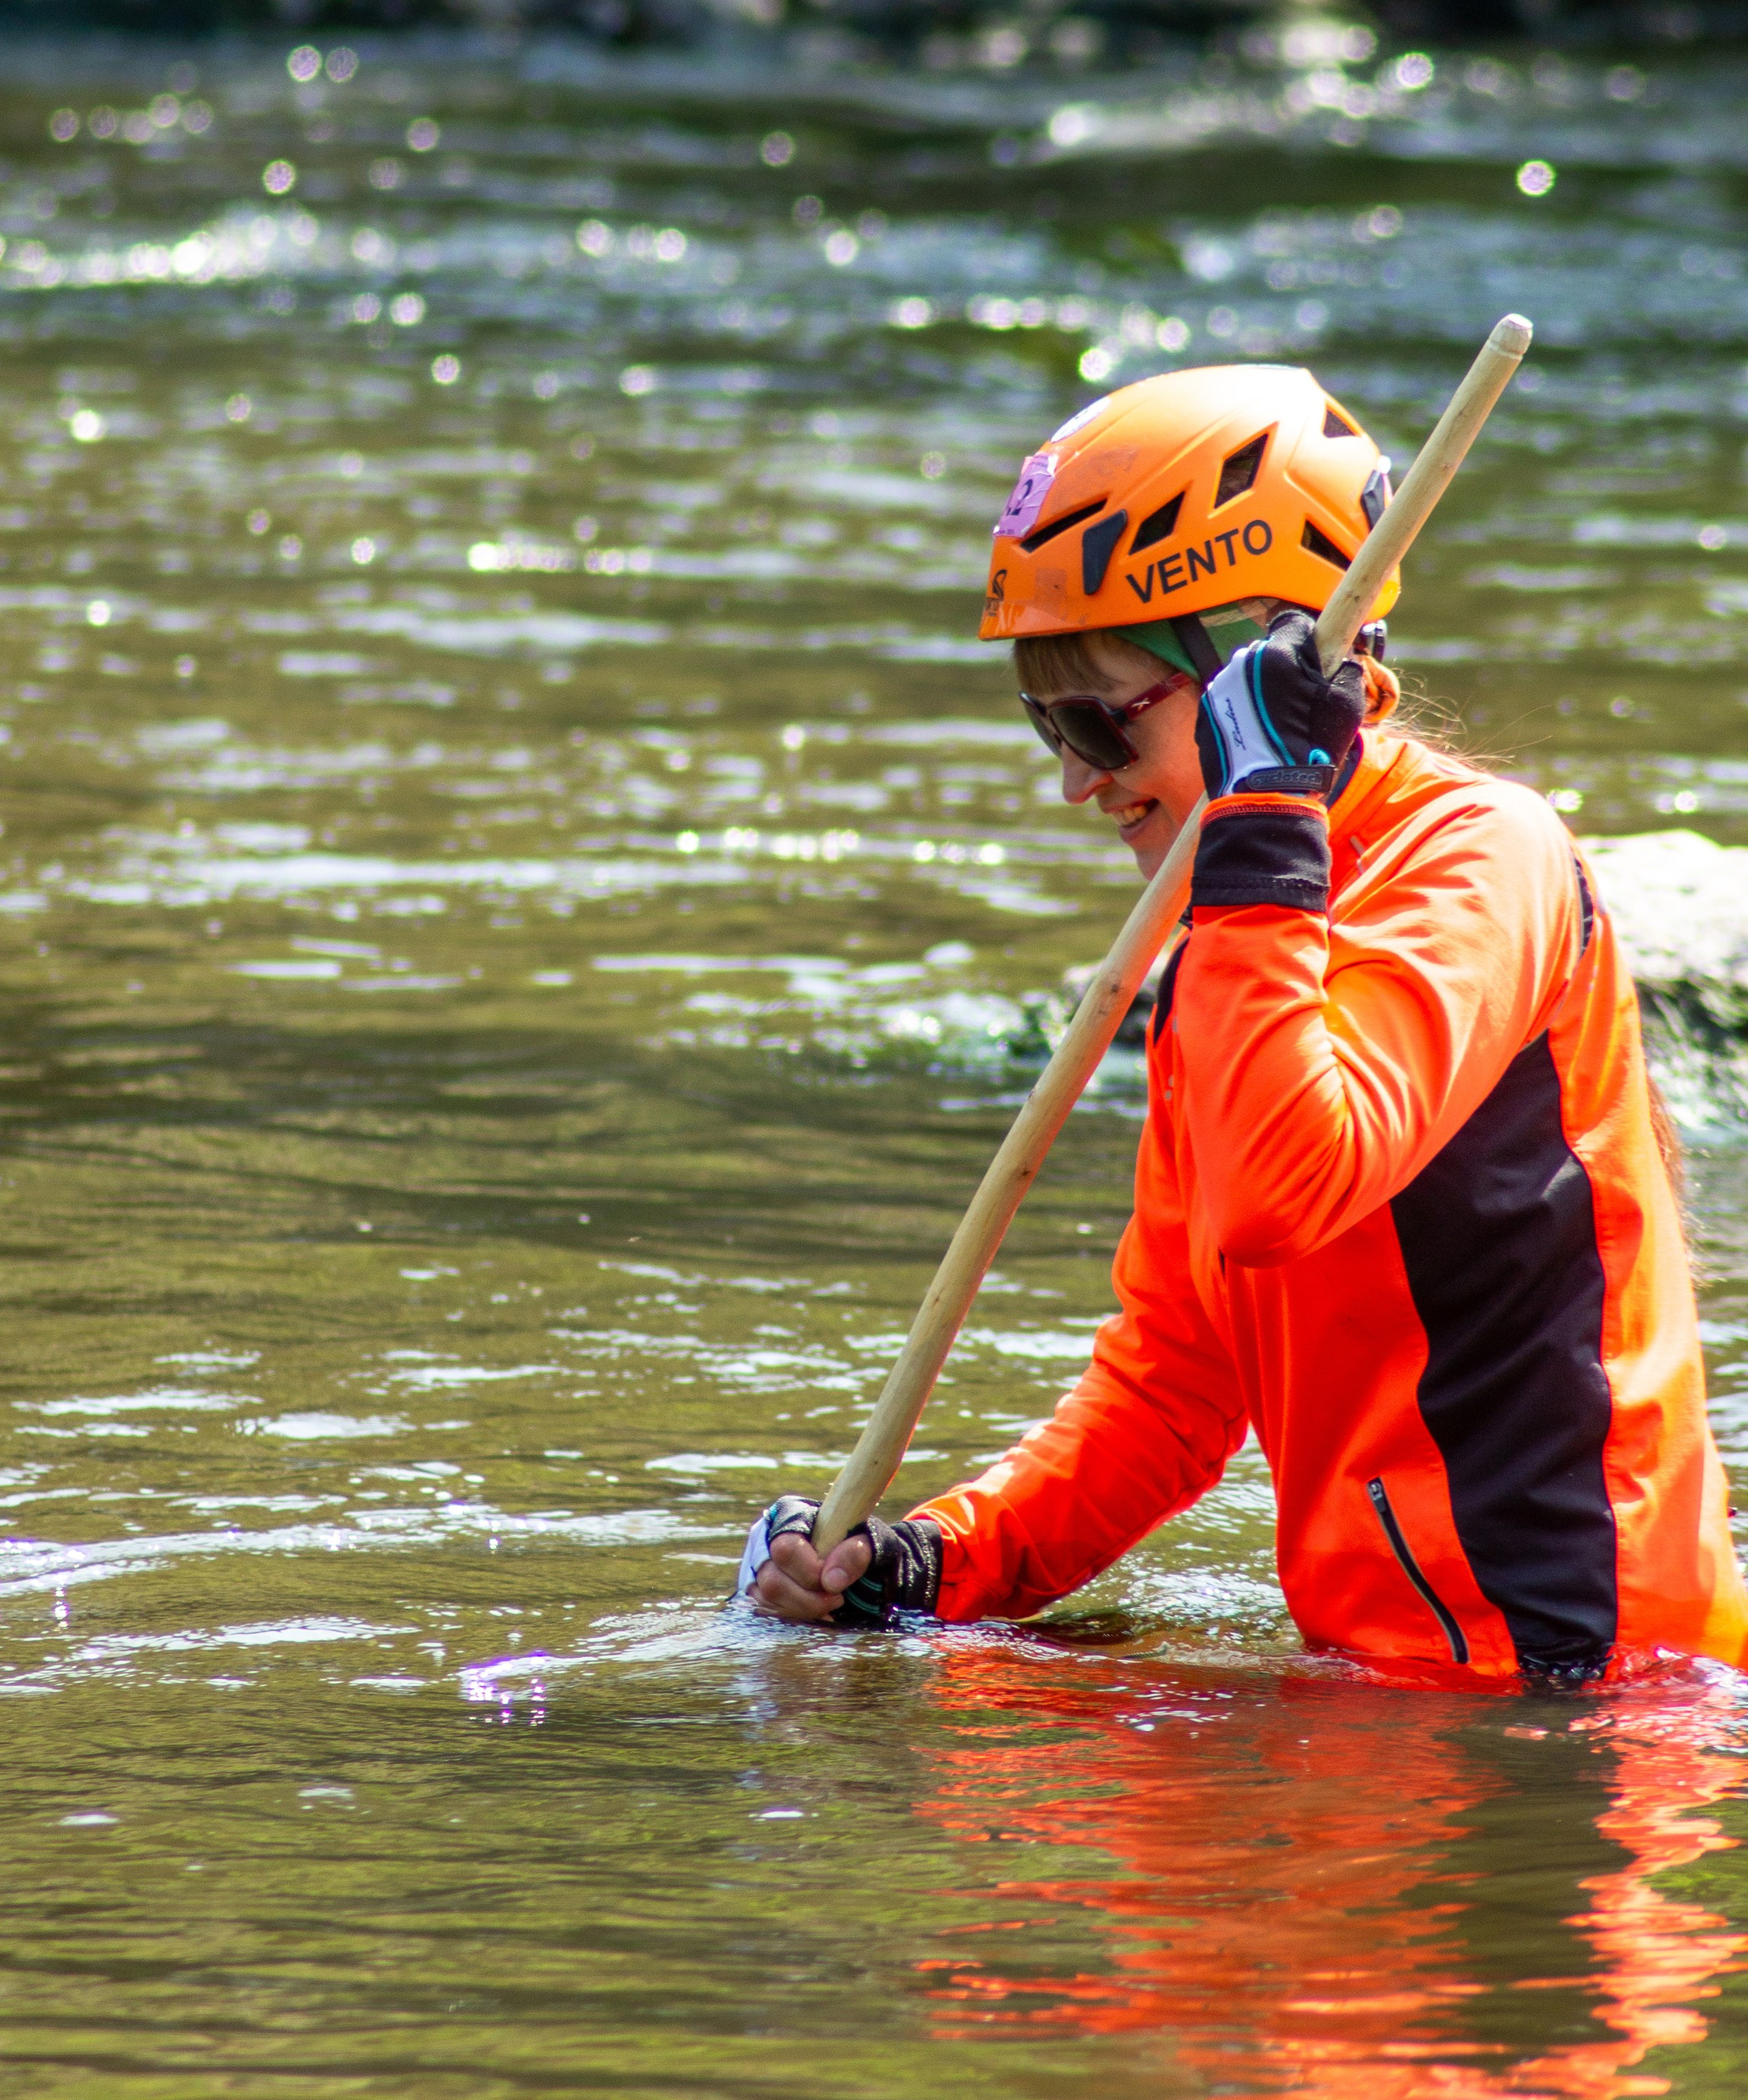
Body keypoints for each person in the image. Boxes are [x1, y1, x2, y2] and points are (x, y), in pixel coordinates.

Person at [741, 362, 1748, 1681]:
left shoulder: (1474, 858)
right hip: (1388, 1691)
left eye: (1101, 718)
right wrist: (925, 1566)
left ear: (1268, 670)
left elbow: (1288, 1187)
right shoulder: (1226, 936)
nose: (1073, 780)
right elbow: (1174, 1381)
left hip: (1580, 1703)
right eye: (1044, 718)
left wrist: (1264, 825)